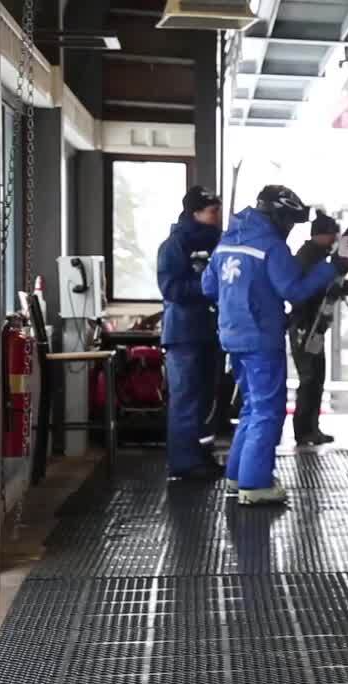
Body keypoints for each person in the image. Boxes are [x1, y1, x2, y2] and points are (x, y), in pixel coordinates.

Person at [202, 185, 348, 505]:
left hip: (231, 336)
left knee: (251, 407)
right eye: (289, 220)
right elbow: (295, 290)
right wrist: (335, 266)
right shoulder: (271, 246)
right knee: (266, 412)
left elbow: (208, 286)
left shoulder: (229, 240)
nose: (289, 228)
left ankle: (237, 476)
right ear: (278, 216)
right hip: (260, 336)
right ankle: (255, 484)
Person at [288, 212, 348, 446]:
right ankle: (304, 430)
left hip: (312, 327)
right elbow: (317, 287)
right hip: (305, 326)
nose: (335, 239)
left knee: (315, 377)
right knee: (310, 378)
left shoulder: (317, 257)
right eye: (332, 234)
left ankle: (310, 428)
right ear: (323, 234)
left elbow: (334, 286)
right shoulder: (309, 258)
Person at [157, 186, 224, 482]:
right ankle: (183, 462)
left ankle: (202, 454)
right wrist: (207, 286)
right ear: (195, 212)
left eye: (218, 210)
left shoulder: (219, 244)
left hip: (212, 332)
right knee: (186, 398)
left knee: (207, 399)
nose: (217, 216)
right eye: (212, 211)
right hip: (184, 334)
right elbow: (171, 289)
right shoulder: (174, 245)